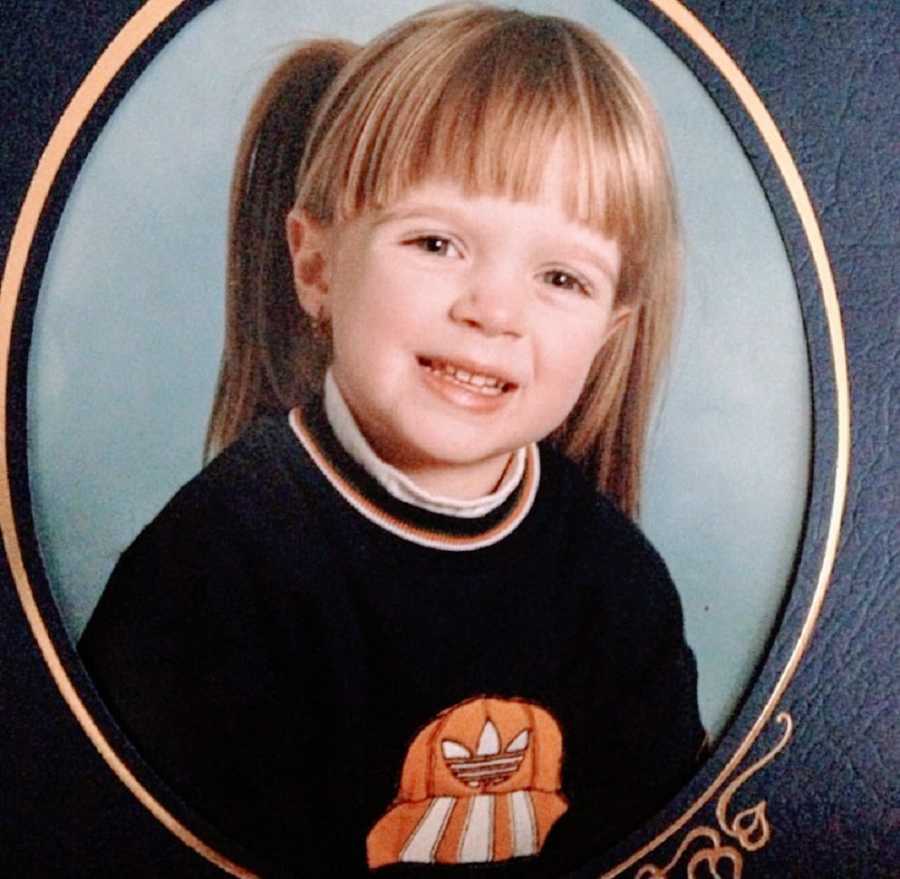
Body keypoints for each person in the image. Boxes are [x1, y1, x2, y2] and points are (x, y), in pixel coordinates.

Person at [79, 4, 706, 876]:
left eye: (561, 276)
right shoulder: (211, 569)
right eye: (438, 242)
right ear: (316, 265)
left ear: (607, 333)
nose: (492, 310)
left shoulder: (618, 588)